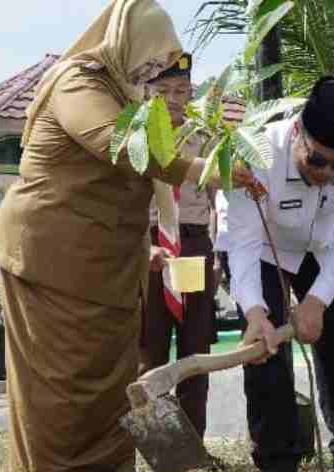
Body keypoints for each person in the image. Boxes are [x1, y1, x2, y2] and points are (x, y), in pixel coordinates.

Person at [0, 0, 245, 472]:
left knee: (112, 370)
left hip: (106, 260)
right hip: (49, 255)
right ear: (128, 44)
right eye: (151, 61)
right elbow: (120, 145)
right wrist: (204, 169)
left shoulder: (129, 92)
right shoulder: (77, 81)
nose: (155, 73)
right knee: (60, 374)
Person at [227, 76, 334, 472]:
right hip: (263, 246)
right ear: (297, 131)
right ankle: (278, 464)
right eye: (318, 162)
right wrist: (255, 311)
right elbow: (241, 243)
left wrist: (317, 300)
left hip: (321, 246)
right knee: (265, 353)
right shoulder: (254, 153)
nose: (329, 175)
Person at [140, 53, 219, 444]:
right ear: (147, 92)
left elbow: (215, 200)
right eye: (164, 90)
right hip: (154, 248)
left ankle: (193, 443)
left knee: (194, 344)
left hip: (191, 247)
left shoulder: (203, 137)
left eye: (182, 91)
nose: (173, 99)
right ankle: (154, 441)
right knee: (150, 344)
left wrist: (215, 253)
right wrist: (142, 248)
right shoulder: (138, 140)